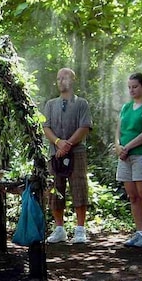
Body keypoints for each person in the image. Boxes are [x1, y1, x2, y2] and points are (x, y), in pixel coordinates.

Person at [43, 68, 93, 244]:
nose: (60, 80)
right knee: (55, 190)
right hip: (54, 153)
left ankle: (80, 230)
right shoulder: (50, 104)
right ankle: (59, 229)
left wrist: (68, 144)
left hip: (77, 153)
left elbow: (85, 127)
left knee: (79, 187)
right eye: (58, 78)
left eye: (64, 77)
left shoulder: (81, 104)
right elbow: (46, 127)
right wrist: (58, 143)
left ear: (73, 79)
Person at [116, 73, 142, 247]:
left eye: (135, 86)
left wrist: (128, 147)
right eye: (129, 87)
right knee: (132, 196)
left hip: (140, 155)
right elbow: (118, 130)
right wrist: (118, 146)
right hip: (124, 157)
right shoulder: (125, 107)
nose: (132, 90)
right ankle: (139, 231)